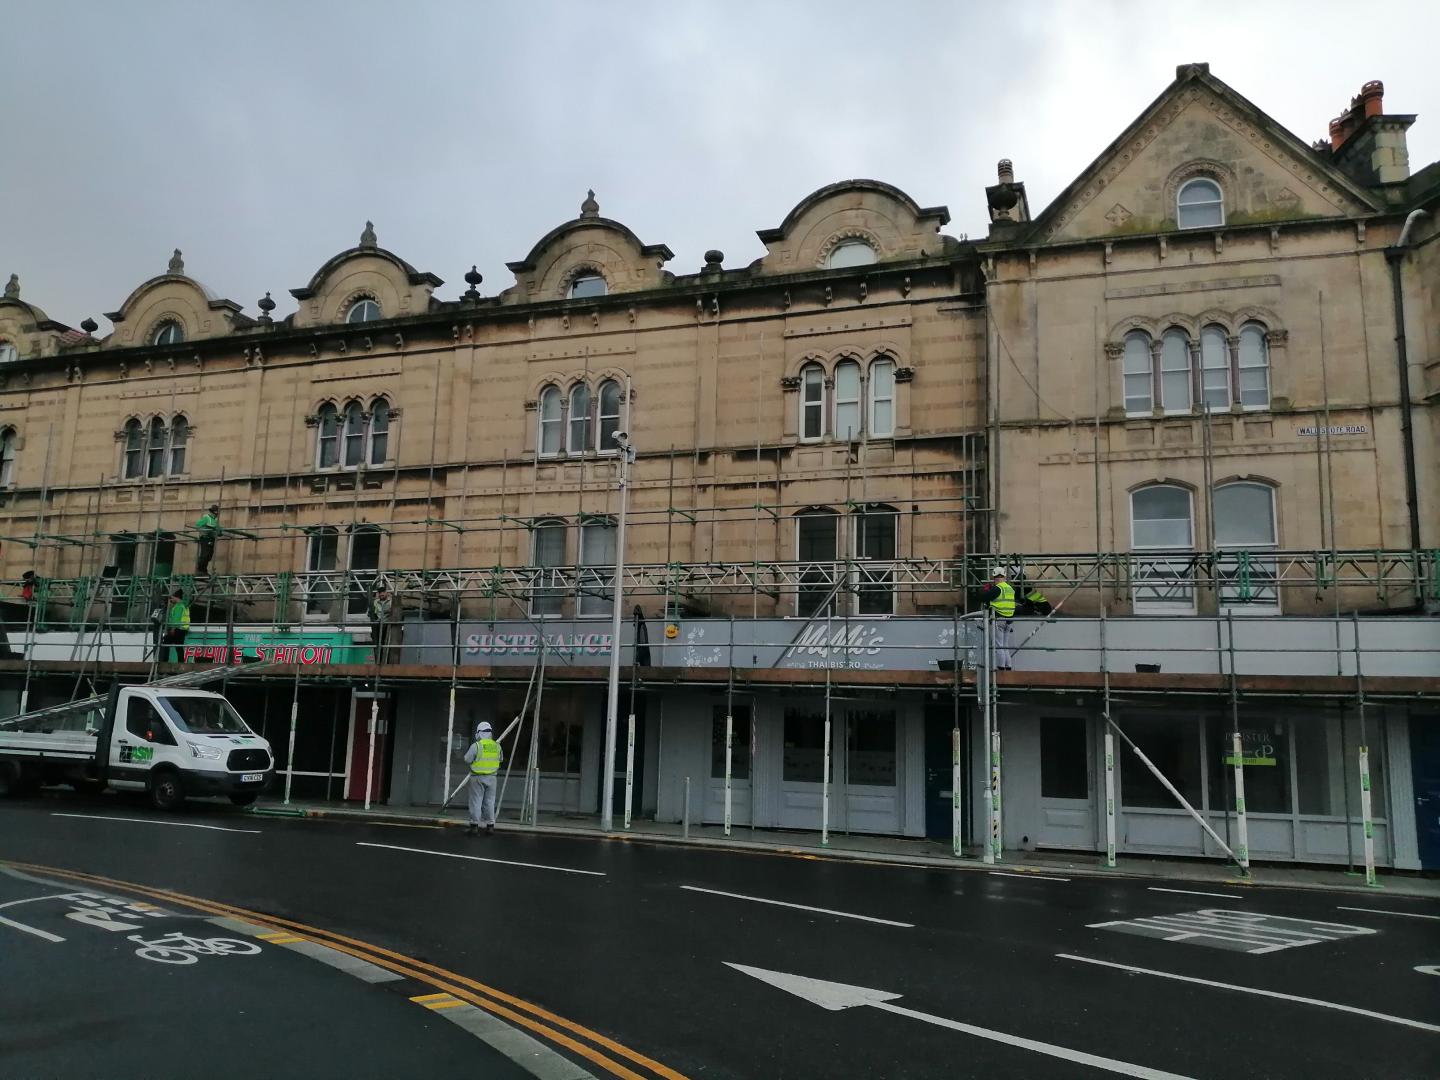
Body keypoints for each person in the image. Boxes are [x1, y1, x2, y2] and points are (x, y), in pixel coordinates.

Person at [463, 721, 503, 836]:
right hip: (492, 778)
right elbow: (500, 759)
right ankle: (490, 826)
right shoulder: (497, 746)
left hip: (477, 777)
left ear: (479, 733)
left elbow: (467, 759)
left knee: (476, 801)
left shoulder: (476, 746)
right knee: (490, 802)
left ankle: (474, 826)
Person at [978, 567, 1016, 671]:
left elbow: (983, 598)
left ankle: (1001, 670)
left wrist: (985, 590)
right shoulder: (1010, 588)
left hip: (999, 619)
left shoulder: (997, 588)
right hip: (1009, 620)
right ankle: (1008, 668)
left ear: (994, 578)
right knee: (1005, 645)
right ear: (1004, 577)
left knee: (999, 645)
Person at [162, 589, 190, 662]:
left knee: (166, 642)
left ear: (176, 597)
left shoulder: (178, 606)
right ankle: (181, 663)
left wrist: (172, 629)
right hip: (182, 629)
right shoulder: (184, 605)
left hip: (177, 629)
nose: (171, 600)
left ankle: (164, 661)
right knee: (179, 647)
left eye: (172, 598)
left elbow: (176, 619)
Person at [369, 584, 393, 665]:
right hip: (378, 624)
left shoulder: (391, 602)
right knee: (376, 641)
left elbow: (393, 613)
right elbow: (373, 613)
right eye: (380, 593)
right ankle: (378, 660)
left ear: (386, 593)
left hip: (387, 624)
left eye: (383, 592)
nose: (381, 594)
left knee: (385, 641)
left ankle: (386, 660)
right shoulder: (376, 602)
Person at [194, 505, 220, 576]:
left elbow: (218, 530)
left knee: (209, 555)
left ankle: (204, 570)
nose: (216, 513)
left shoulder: (215, 520)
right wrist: (206, 528)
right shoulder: (207, 518)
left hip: (211, 539)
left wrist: (219, 532)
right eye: (215, 512)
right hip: (205, 538)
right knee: (205, 554)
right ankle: (200, 570)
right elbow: (198, 524)